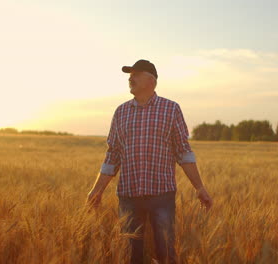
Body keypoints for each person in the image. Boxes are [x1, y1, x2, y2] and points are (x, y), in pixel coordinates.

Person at [86, 59, 213, 264]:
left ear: (151, 80)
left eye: (136, 74)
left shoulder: (171, 109)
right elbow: (113, 156)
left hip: (162, 195)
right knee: (130, 256)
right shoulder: (121, 112)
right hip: (128, 196)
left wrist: (200, 187)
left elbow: (183, 152)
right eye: (129, 75)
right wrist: (97, 189)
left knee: (166, 255)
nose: (130, 78)